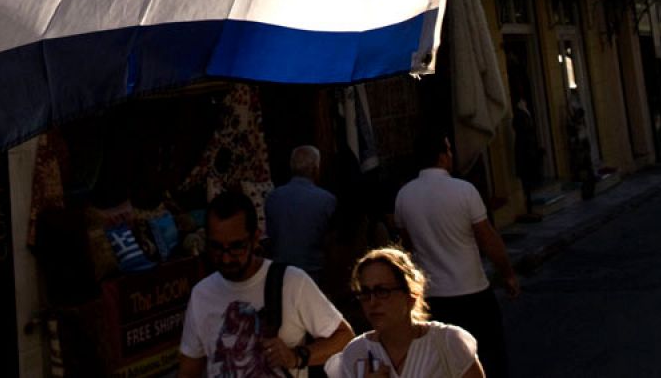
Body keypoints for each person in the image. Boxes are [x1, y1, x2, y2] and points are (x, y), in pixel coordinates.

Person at [179, 191, 353, 377]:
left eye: (237, 246)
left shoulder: (292, 282)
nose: (226, 258)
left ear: (255, 238)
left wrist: (297, 357)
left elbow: (344, 337)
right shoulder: (201, 295)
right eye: (216, 247)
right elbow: (189, 369)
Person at [394, 134, 517, 378]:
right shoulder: (464, 191)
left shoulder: (404, 196)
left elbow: (406, 247)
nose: (451, 155)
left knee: (442, 366)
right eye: (449, 150)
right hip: (472, 292)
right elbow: (488, 238)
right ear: (442, 156)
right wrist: (508, 274)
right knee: (487, 360)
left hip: (433, 297)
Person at [324, 247, 483, 378]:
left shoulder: (447, 343)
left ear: (410, 296)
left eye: (382, 291)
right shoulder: (356, 354)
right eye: (365, 293)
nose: (373, 302)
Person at [265, 146, 338, 285]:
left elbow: (271, 238)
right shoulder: (327, 200)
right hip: (313, 276)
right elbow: (330, 245)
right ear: (316, 169)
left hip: (280, 276)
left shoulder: (273, 198)